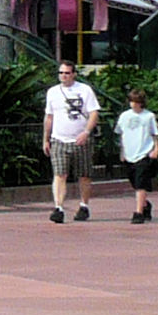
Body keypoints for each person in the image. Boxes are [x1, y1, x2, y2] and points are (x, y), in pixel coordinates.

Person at [43, 61, 101, 223]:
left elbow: (94, 113)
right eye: (61, 73)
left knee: (84, 175)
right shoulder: (53, 92)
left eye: (67, 73)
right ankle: (58, 207)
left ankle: (84, 205)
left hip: (80, 139)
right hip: (59, 139)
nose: (64, 76)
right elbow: (49, 116)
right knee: (60, 173)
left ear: (74, 74)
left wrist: (86, 132)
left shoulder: (84, 90)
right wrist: (45, 139)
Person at [116, 88, 158, 225]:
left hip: (144, 153)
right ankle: (145, 204)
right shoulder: (124, 116)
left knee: (141, 183)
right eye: (131, 101)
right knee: (134, 182)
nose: (133, 104)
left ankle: (138, 212)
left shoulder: (149, 117)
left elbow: (155, 134)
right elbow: (120, 134)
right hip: (129, 152)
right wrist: (122, 151)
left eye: (136, 101)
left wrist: (156, 148)